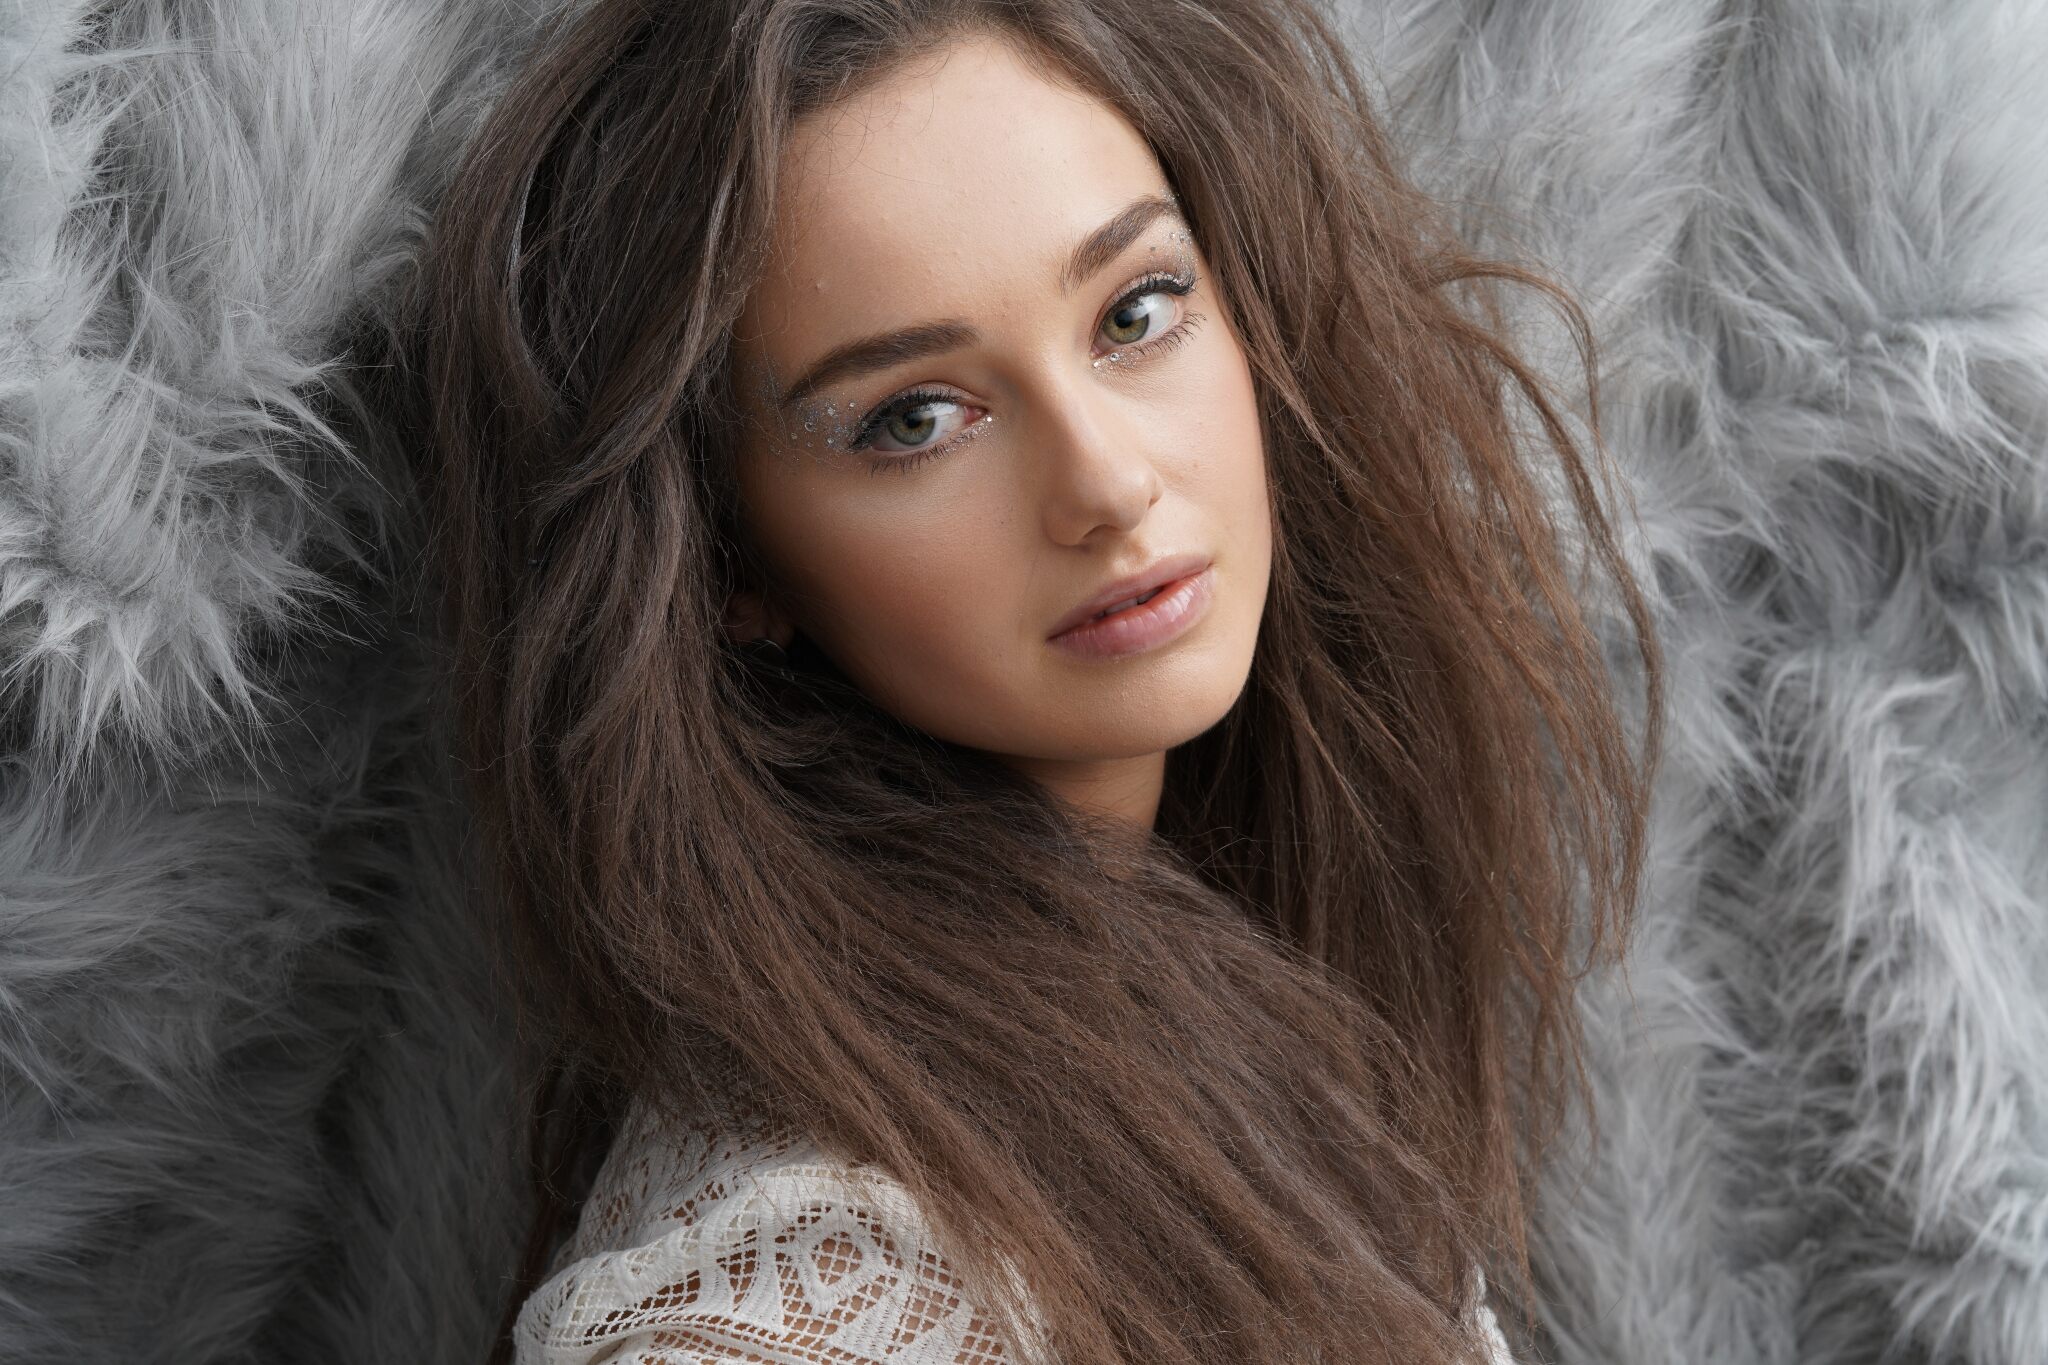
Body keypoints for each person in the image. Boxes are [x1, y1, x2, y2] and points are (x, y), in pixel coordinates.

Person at [399, 1, 1664, 1362]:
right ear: (725, 557)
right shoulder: (805, 1297)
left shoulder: (1195, 1009)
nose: (1109, 481)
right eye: (917, 419)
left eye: (1135, 312)